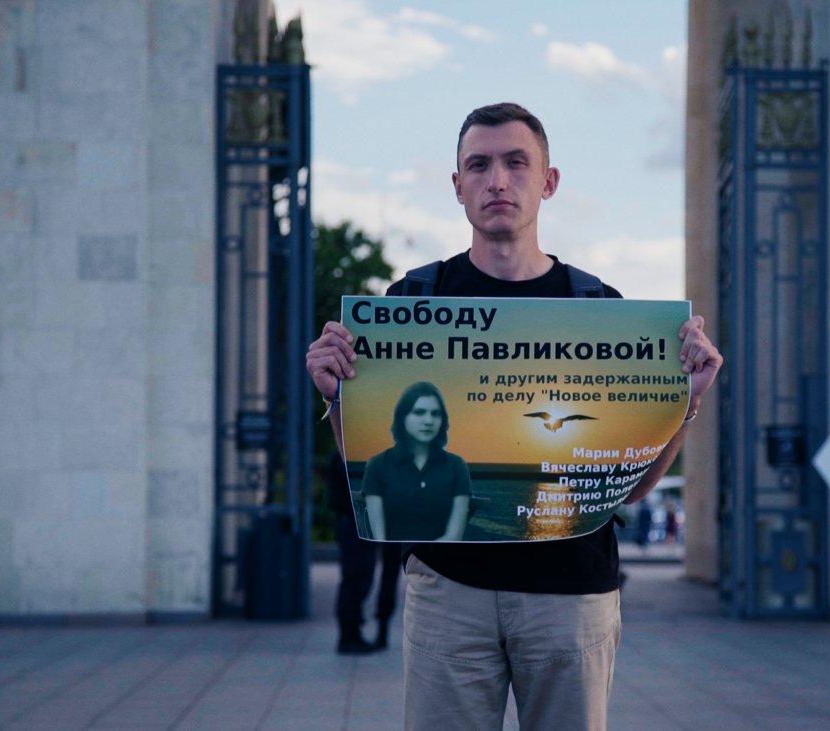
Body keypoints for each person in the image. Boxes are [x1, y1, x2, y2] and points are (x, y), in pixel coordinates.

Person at [305, 102, 722, 730]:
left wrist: (685, 404)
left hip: (572, 596)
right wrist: (337, 397)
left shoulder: (601, 310)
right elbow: (372, 467)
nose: (497, 180)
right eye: (479, 165)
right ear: (458, 187)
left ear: (548, 182)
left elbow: (628, 487)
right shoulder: (412, 303)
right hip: (449, 592)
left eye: (515, 163)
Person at [361, 382, 471, 542]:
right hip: (393, 559)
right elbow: (380, 538)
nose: (429, 421)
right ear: (402, 417)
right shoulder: (377, 465)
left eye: (435, 414)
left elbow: (454, 536)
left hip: (440, 559)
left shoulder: (456, 466)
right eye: (419, 412)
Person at [328, 452, 403, 654]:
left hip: (372, 517)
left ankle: (359, 632)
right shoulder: (348, 451)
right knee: (358, 574)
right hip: (359, 518)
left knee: (364, 574)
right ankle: (350, 633)